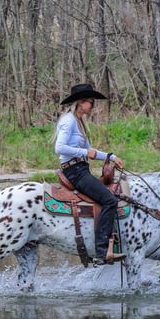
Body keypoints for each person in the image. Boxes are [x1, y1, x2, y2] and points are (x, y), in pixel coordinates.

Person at [55, 83, 126, 266]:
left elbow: (90, 150)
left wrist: (111, 156)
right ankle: (102, 251)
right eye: (92, 102)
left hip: (81, 168)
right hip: (74, 171)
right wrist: (85, 154)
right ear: (81, 102)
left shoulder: (79, 122)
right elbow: (59, 148)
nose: (93, 106)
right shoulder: (68, 120)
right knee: (110, 200)